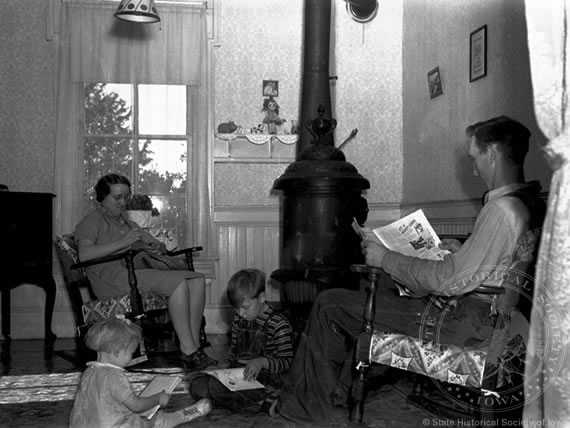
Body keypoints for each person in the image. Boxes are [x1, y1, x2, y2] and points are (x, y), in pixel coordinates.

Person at [270, 115, 547, 424]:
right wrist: (462, 249)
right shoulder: (529, 202)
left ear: (492, 154)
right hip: (497, 323)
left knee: (330, 304)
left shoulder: (499, 210)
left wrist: (385, 258)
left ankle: (301, 409)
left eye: (475, 157)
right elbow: (497, 264)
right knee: (378, 297)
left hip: (465, 326)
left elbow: (449, 280)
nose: (473, 167)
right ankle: (333, 392)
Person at [74, 173, 216, 371]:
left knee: (196, 279)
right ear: (102, 198)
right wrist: (124, 243)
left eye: (126, 197)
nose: (123, 202)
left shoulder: (128, 222)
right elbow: (84, 254)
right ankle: (188, 348)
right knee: (178, 284)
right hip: (110, 278)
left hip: (133, 273)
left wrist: (155, 248)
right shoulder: (92, 220)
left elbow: (159, 246)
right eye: (117, 198)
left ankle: (193, 346)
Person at [69, 317, 212, 428]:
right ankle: (188, 414)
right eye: (131, 352)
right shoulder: (114, 376)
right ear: (116, 351)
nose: (132, 357)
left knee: (143, 413)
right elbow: (136, 405)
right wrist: (158, 398)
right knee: (156, 420)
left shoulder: (89, 371)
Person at [189, 269, 294, 413]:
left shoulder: (278, 324)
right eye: (236, 310)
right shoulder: (239, 320)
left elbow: (287, 362)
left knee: (215, 388)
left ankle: (265, 400)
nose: (241, 314)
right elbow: (234, 351)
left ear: (262, 297)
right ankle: (249, 403)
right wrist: (223, 366)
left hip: (266, 382)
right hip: (240, 377)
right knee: (197, 386)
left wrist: (262, 362)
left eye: (245, 308)